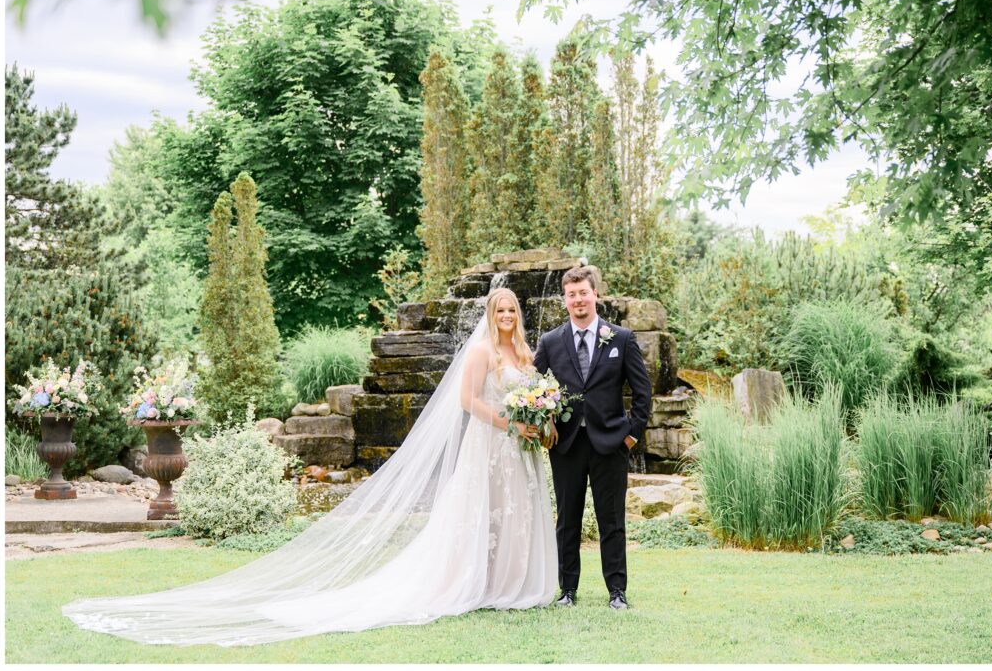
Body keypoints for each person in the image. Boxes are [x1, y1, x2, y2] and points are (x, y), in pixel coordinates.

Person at [63, 288, 556, 646]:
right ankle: (473, 583)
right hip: (490, 445)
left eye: (512, 309)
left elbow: (530, 396)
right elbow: (469, 401)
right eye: (500, 309)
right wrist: (510, 424)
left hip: (519, 452)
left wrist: (538, 420)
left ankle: (506, 583)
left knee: (511, 517)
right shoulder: (481, 350)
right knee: (480, 515)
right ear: (490, 314)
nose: (507, 315)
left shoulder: (524, 352)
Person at [533, 266, 652, 611]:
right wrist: (545, 425)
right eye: (571, 294)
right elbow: (532, 387)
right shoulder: (551, 341)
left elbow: (643, 394)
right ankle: (567, 590)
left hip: (610, 444)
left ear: (595, 294)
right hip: (566, 445)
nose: (578, 300)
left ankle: (617, 592)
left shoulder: (621, 339)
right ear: (565, 299)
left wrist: (630, 437)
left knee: (611, 521)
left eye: (583, 292)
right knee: (567, 520)